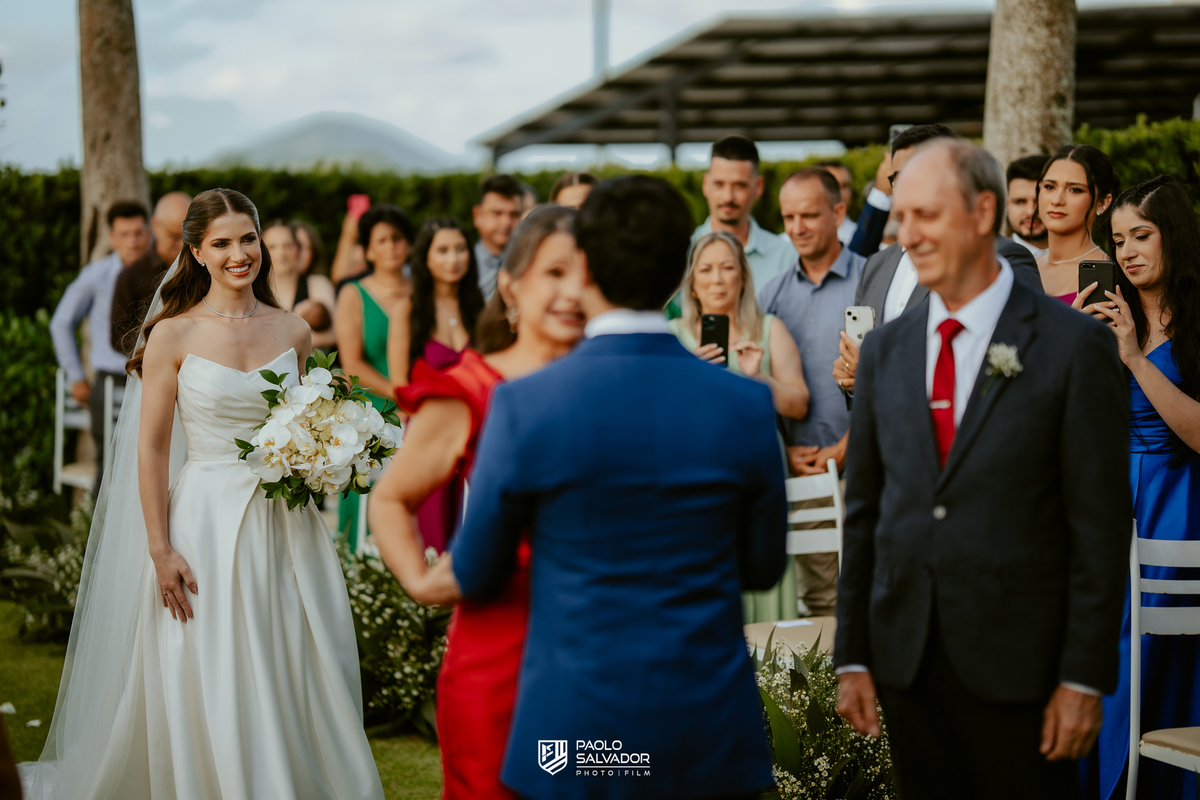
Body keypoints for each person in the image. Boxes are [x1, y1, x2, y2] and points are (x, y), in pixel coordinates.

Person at [414, 175, 786, 800]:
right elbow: (761, 566)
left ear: (582, 265)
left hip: (579, 729)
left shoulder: (525, 405)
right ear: (678, 271)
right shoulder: (745, 404)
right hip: (703, 720)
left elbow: (477, 570)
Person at [20, 189, 385, 799]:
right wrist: (160, 549)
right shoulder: (172, 335)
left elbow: (307, 418)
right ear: (195, 251)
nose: (239, 254)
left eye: (248, 238)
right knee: (209, 657)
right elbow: (152, 448)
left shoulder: (294, 331)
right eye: (222, 243)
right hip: (204, 521)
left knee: (289, 652)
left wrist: (325, 454)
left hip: (282, 520)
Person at [834, 139, 1131, 800]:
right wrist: (852, 654)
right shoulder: (884, 351)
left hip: (1027, 668)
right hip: (910, 663)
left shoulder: (1073, 347)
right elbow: (866, 508)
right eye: (901, 216)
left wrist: (1083, 678)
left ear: (982, 211)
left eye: (927, 215)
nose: (907, 235)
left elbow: (1100, 526)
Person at [369, 206, 586, 800]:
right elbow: (390, 498)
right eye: (554, 273)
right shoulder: (470, 389)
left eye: (586, 275)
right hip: (501, 660)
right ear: (511, 285)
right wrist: (419, 578)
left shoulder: (616, 383)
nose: (573, 291)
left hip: (606, 659)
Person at [1075, 176, 1200, 800]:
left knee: (1160, 652)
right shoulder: (1109, 315)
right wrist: (1077, 349)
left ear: (1173, 234)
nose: (1125, 251)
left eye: (1140, 235)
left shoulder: (1196, 323)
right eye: (1117, 238)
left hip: (1177, 504)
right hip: (1107, 503)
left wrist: (1133, 358)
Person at [669, 229, 808, 624]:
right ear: (692, 283)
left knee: (761, 553)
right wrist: (690, 376)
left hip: (758, 463)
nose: (717, 279)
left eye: (727, 268)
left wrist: (757, 380)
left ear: (743, 277)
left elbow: (798, 404)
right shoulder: (674, 338)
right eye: (706, 270)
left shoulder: (769, 329)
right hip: (696, 471)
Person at [758, 167, 866, 617]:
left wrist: (845, 447)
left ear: (838, 212)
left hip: (862, 464)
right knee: (816, 603)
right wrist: (786, 451)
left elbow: (893, 373)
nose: (797, 228)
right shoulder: (771, 294)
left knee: (868, 593)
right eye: (788, 217)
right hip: (796, 472)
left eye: (809, 215)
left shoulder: (870, 280)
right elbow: (757, 378)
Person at [384, 217, 485, 556]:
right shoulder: (408, 311)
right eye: (442, 250)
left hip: (477, 439)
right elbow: (400, 386)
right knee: (433, 544)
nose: (453, 258)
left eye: (459, 249)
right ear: (425, 257)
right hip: (428, 441)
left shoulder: (480, 310)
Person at [51, 200, 149, 493]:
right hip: (110, 384)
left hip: (154, 381)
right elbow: (61, 323)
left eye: (138, 232)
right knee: (109, 469)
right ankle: (101, 536)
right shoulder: (96, 275)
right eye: (124, 234)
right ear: (112, 238)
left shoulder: (164, 272)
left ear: (149, 233)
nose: (133, 240)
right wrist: (76, 375)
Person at [334, 203, 415, 551]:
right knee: (368, 501)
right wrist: (401, 395)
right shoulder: (353, 294)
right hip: (372, 412)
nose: (392, 246)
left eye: (398, 238)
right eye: (382, 240)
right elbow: (352, 362)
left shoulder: (421, 293)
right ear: (367, 249)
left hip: (422, 410)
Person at [688, 135, 794, 297]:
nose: (728, 197)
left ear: (758, 187)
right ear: (705, 184)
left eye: (739, 186)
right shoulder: (683, 253)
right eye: (719, 184)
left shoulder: (786, 258)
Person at [110, 191, 192, 355]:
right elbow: (119, 336)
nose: (182, 244)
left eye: (189, 235)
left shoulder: (206, 266)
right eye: (174, 236)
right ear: (155, 226)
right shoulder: (131, 276)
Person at [1035, 144, 1116, 304]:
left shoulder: (1110, 274)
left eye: (1075, 190)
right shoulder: (1023, 267)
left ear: (1102, 203)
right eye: (1049, 187)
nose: (1057, 200)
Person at [262, 220, 337, 350]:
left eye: (287, 245)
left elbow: (334, 334)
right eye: (272, 247)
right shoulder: (254, 291)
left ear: (297, 249)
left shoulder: (317, 284)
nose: (281, 253)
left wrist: (279, 345)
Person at [473, 175, 524, 299]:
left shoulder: (529, 264)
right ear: (477, 216)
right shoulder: (462, 263)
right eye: (497, 213)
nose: (506, 222)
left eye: (514, 214)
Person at [1006, 154, 1051, 257]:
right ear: (1008, 204)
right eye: (1020, 202)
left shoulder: (1086, 259)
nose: (1031, 211)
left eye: (1039, 201)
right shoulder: (990, 261)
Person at [818, 160, 858, 244]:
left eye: (845, 186)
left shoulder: (860, 235)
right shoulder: (788, 241)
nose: (839, 192)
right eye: (832, 186)